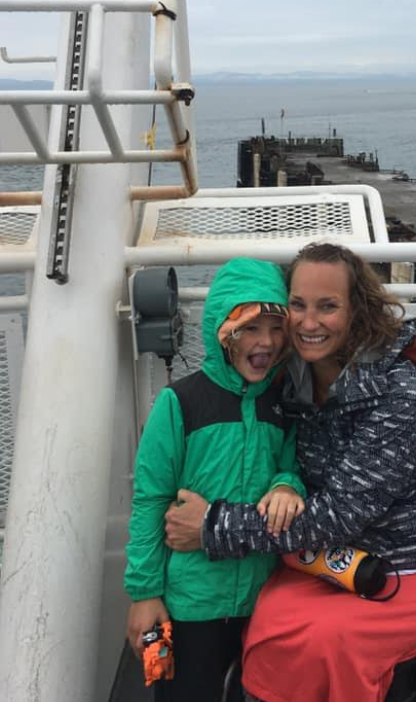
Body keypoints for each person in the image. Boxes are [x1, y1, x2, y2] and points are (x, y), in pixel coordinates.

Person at [165, 242, 416, 702]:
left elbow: (340, 515)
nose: (308, 324)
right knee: (269, 626)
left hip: (413, 560)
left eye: (327, 307)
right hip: (327, 557)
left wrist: (212, 525)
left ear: (357, 311)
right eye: (297, 305)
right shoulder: (286, 375)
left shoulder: (399, 393)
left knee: (330, 644)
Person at [124, 257, 306, 699]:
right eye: (249, 327)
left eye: (276, 328)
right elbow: (151, 499)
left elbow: (294, 466)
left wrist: (287, 486)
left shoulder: (284, 406)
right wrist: (145, 593)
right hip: (190, 604)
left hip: (262, 599)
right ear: (222, 332)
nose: (265, 341)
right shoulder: (179, 403)